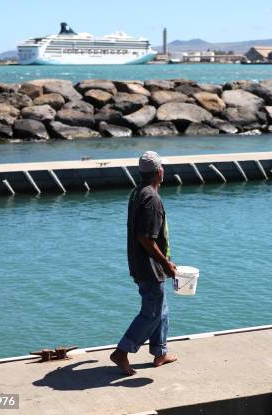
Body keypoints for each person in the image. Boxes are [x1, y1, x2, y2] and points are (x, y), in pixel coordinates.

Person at [110, 151, 178, 376]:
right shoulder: (152, 199)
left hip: (140, 263)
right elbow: (146, 239)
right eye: (163, 168)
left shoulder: (137, 193)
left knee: (161, 309)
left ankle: (160, 353)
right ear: (159, 172)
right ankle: (122, 351)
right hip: (149, 267)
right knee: (151, 312)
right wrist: (166, 264)